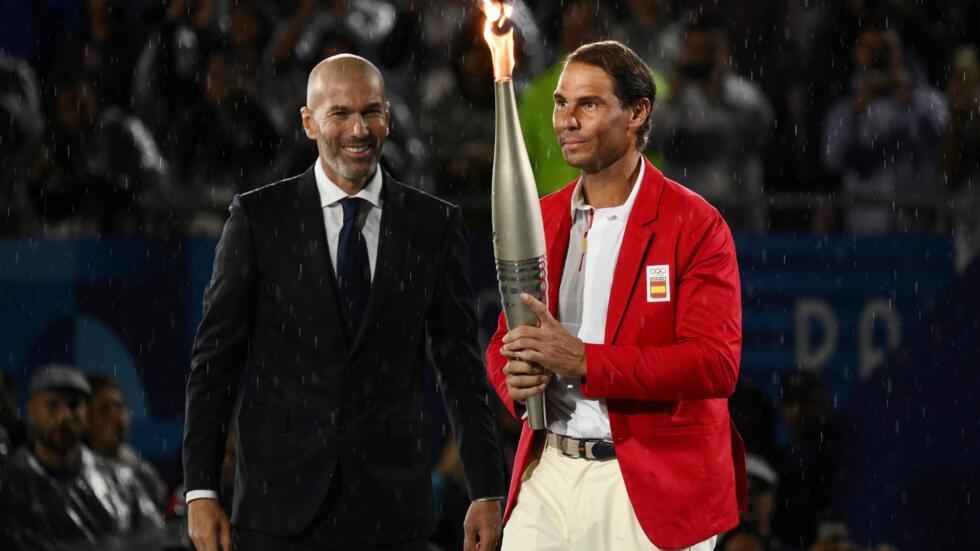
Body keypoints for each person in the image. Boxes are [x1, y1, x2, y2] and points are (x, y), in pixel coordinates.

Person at [182, 54, 505, 551]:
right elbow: (214, 364)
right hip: (278, 509)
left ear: (390, 119)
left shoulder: (432, 225)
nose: (359, 129)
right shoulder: (259, 218)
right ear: (309, 123)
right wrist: (201, 490)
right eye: (339, 113)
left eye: (371, 111)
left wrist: (486, 489)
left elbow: (460, 368)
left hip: (392, 510)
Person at [486, 41, 745, 550]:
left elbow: (715, 364)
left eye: (589, 104)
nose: (567, 120)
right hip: (551, 473)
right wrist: (511, 377)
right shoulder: (542, 217)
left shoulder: (695, 224)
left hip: (653, 482)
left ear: (637, 113)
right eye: (562, 103)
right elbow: (505, 339)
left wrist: (585, 360)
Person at [2, 365, 163, 550]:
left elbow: (154, 539)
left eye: (74, 405)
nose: (64, 416)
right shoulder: (9, 485)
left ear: (87, 414)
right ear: (31, 412)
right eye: (53, 404)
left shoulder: (121, 480)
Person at [85, 373, 168, 509]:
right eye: (104, 410)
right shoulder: (83, 474)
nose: (118, 417)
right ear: (86, 419)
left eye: (120, 406)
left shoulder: (141, 469)